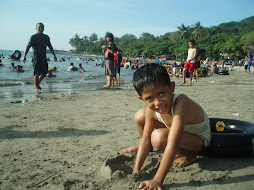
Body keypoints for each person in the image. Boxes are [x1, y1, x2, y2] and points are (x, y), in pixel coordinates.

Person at [122, 63, 211, 190]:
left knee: (158, 137)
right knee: (140, 115)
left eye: (162, 93)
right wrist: (136, 171)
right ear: (141, 99)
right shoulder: (152, 108)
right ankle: (148, 149)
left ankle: (189, 154)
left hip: (199, 139)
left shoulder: (181, 102)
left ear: (172, 87)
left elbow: (172, 144)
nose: (158, 102)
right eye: (149, 98)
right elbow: (146, 139)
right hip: (179, 131)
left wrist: (157, 180)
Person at [23, 23, 57, 94]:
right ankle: (37, 88)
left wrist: (54, 55)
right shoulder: (33, 37)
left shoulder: (46, 37)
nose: (41, 29)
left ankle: (37, 83)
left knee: (45, 73)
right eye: (39, 27)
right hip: (36, 57)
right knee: (37, 73)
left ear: (44, 29)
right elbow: (28, 47)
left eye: (42, 27)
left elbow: (50, 47)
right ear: (36, 28)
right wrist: (24, 56)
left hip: (43, 57)